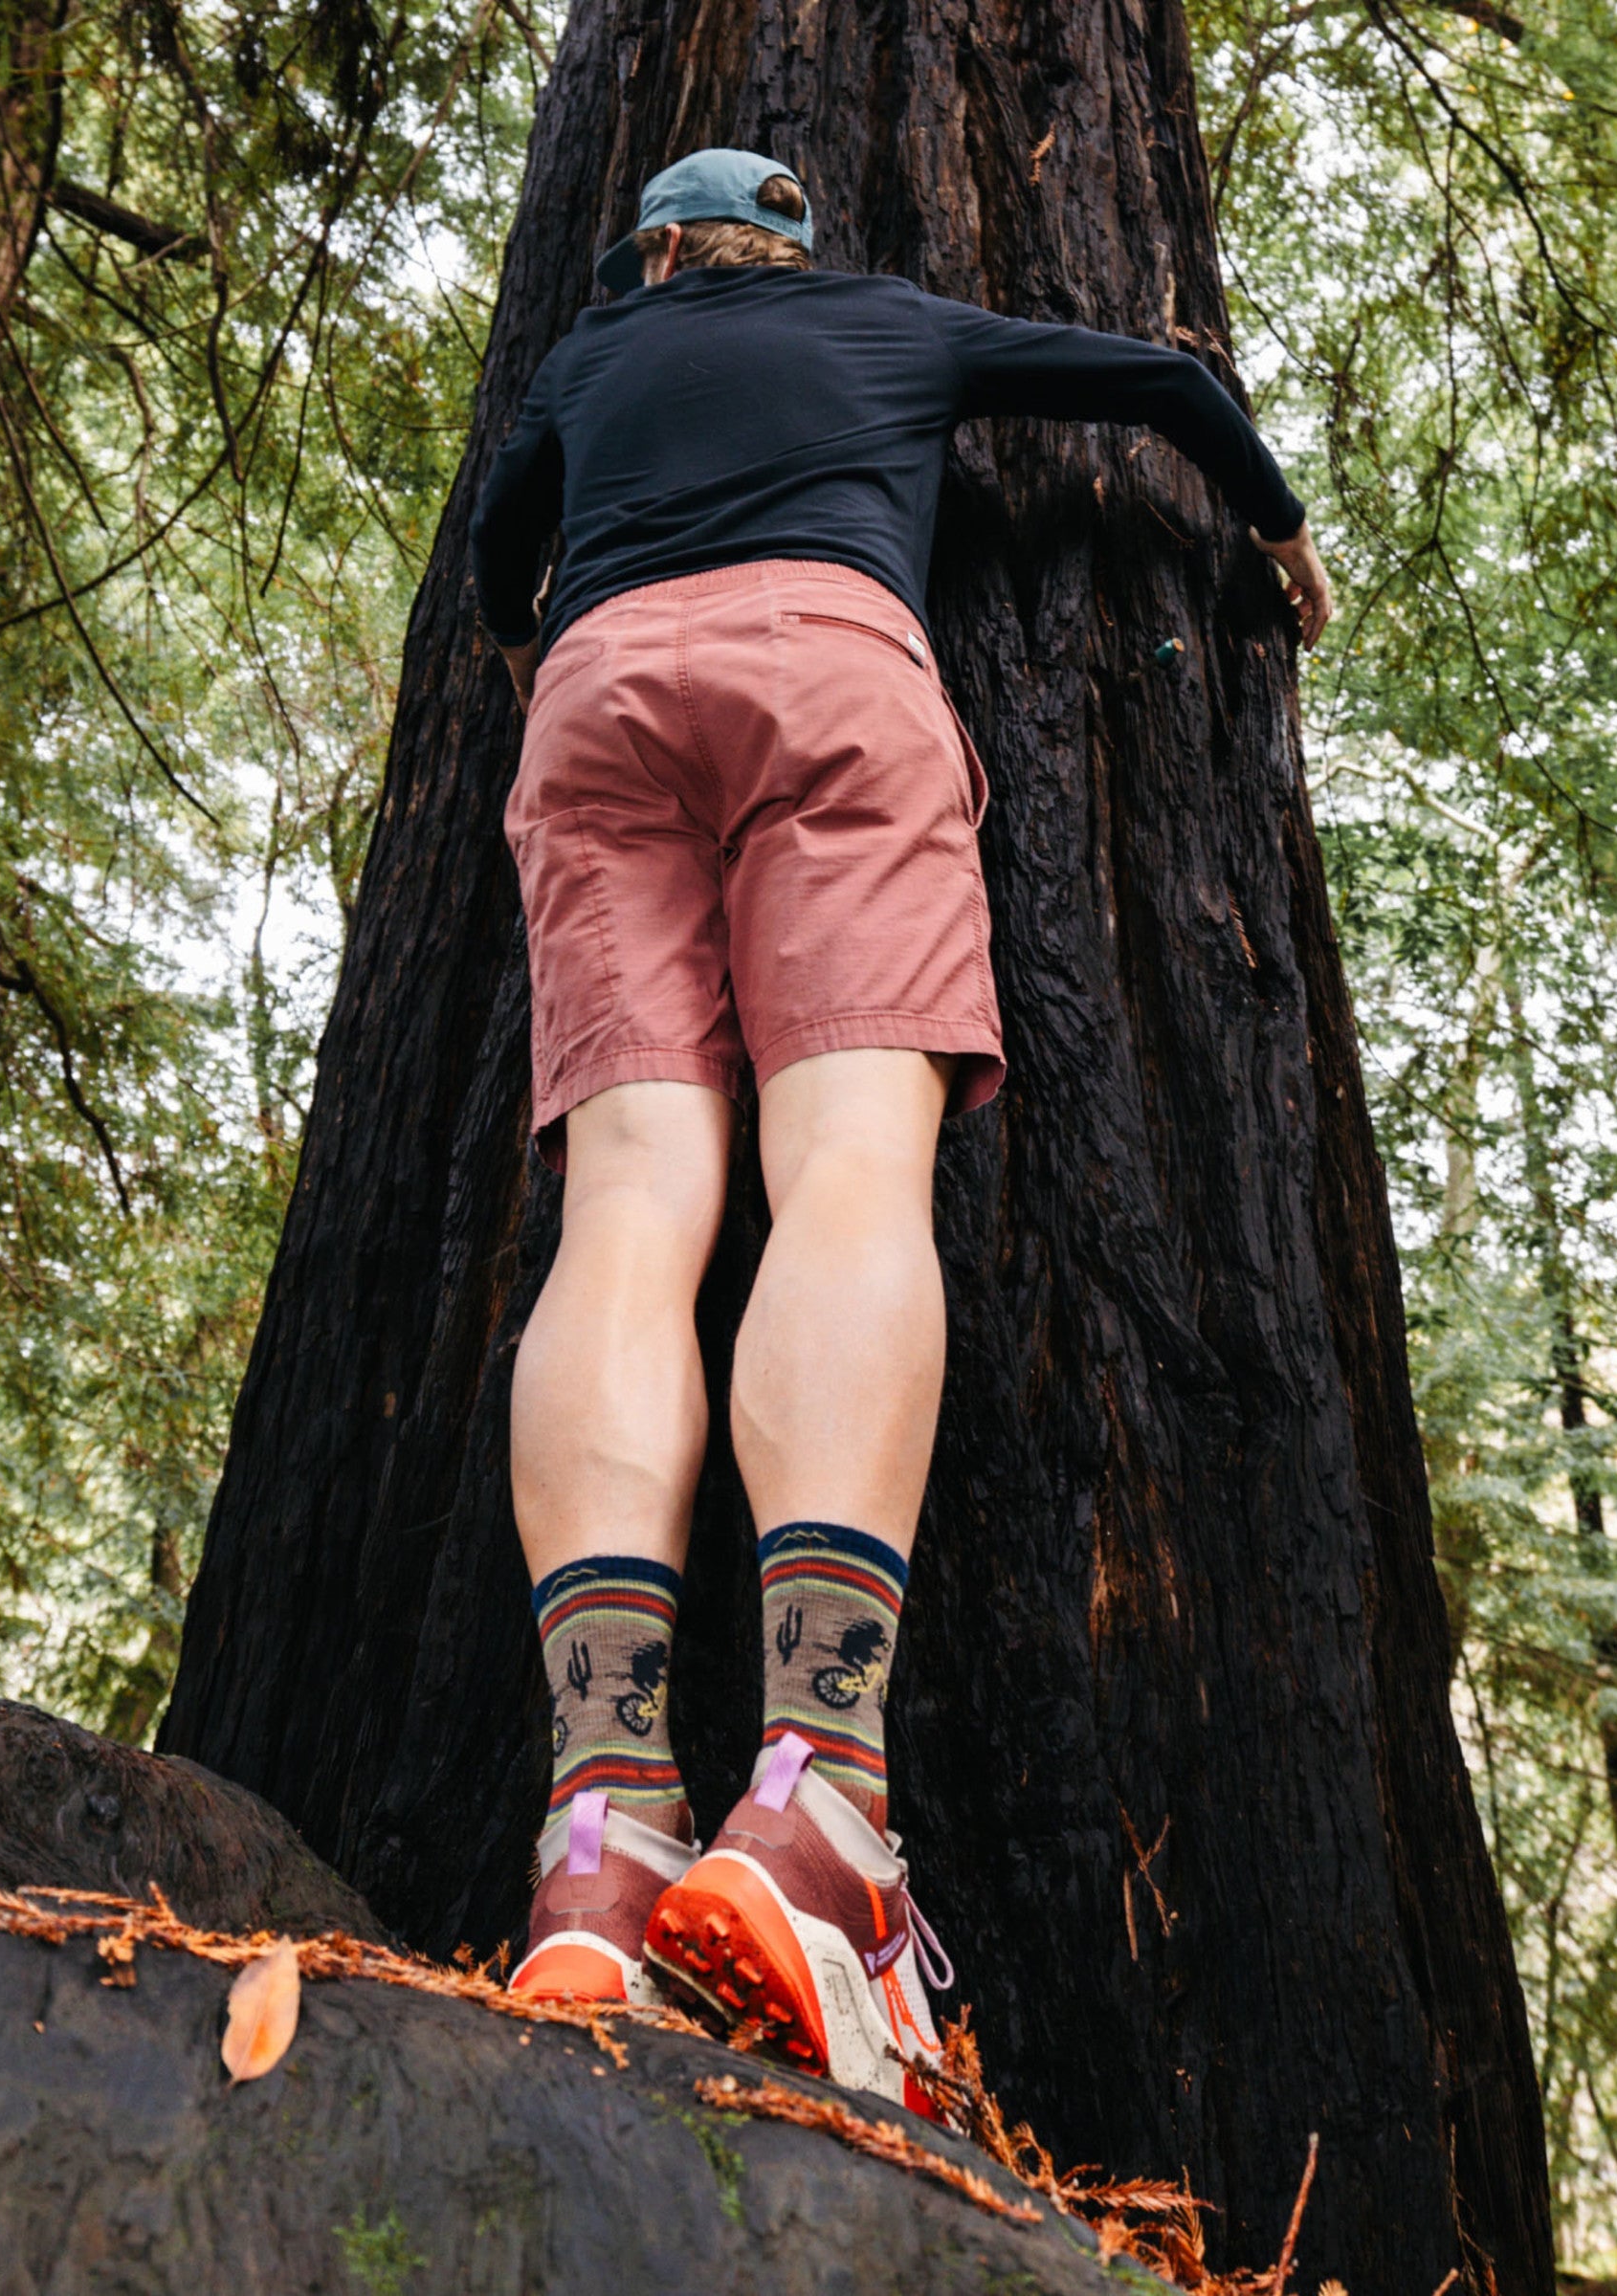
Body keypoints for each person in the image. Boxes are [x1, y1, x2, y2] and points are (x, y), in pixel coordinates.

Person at [470, 146, 1331, 2114]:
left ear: (654, 252)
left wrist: (553, 647)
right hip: (829, 669)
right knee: (847, 1167)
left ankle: (599, 1834)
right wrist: (1269, 528)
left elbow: (490, 572)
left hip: (600, 697)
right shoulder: (887, 320)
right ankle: (818, 1807)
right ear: (783, 243)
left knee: (628, 1205)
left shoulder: (592, 364)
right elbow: (1165, 386)